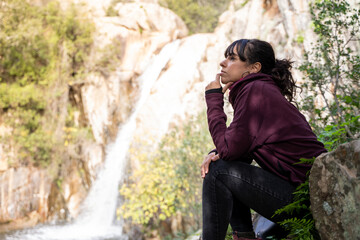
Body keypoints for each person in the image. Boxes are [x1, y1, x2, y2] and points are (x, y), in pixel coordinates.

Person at [201, 39, 327, 240]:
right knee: (220, 165)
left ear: (253, 68)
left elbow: (229, 150)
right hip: (304, 197)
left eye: (232, 58)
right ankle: (243, 235)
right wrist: (215, 153)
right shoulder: (258, 91)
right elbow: (238, 149)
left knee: (217, 172)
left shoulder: (255, 92)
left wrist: (213, 100)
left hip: (309, 202)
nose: (223, 63)